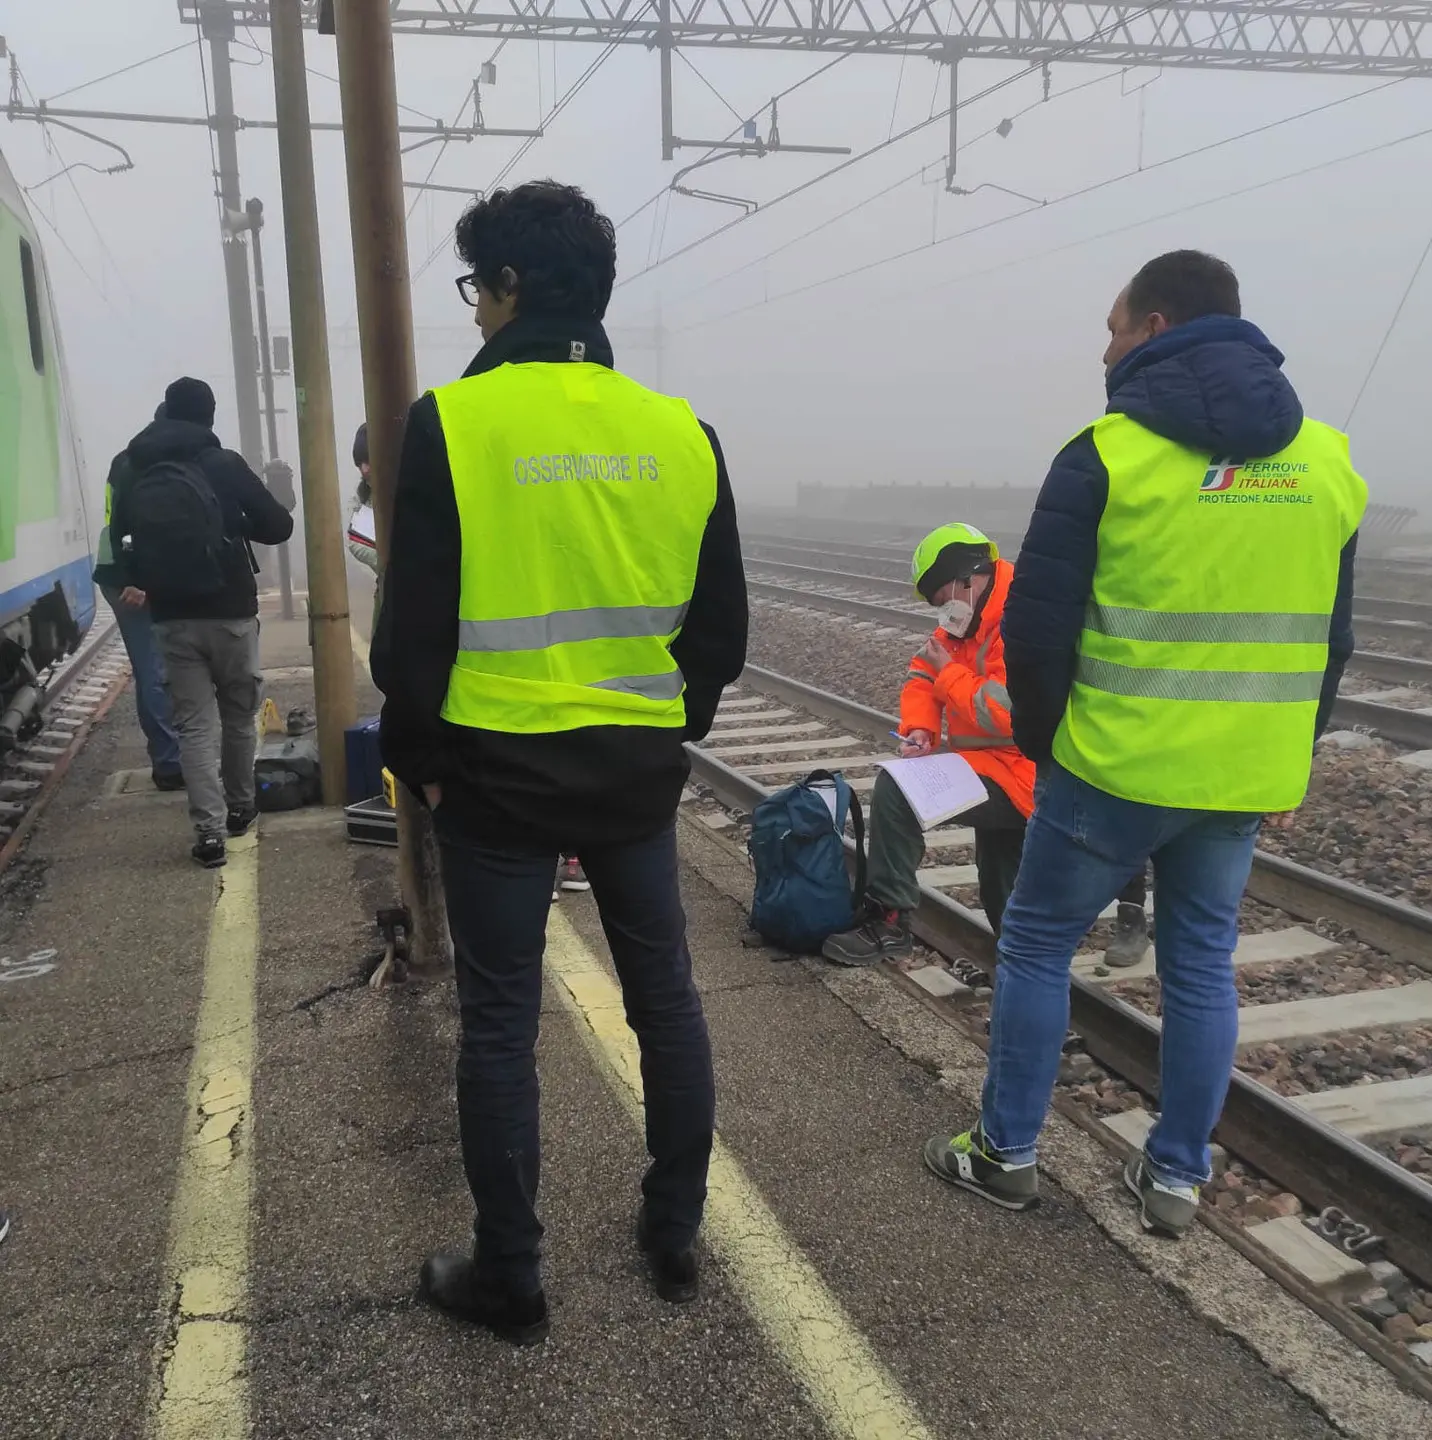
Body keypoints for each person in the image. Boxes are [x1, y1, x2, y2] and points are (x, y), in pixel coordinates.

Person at [372, 180, 747, 1344]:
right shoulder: (682, 432)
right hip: (632, 778)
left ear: (513, 289)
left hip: (491, 780)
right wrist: (653, 727)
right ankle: (674, 1234)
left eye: (478, 287)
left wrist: (422, 766)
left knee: (500, 1023)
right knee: (666, 1001)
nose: (475, 309)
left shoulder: (452, 424)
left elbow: (409, 637)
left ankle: (512, 1276)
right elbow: (720, 636)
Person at [923, 250, 1364, 1236]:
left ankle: (1005, 1153)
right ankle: (1172, 1180)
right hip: (1239, 775)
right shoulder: (1327, 461)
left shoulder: (1106, 452)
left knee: (1037, 946)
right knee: (1199, 965)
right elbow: (1334, 642)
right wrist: (1290, 757)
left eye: (1114, 327)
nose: (1105, 347)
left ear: (1157, 329)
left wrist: (1045, 750)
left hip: (1112, 769)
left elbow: (1034, 634)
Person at [821, 523, 1033, 965]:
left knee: (897, 793)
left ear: (968, 579)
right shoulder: (969, 618)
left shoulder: (1022, 619)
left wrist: (947, 675)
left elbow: (1011, 710)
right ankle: (1025, 970)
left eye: (944, 601)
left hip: (1023, 772)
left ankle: (890, 922)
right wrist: (921, 728)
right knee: (1001, 881)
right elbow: (922, 673)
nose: (944, 614)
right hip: (989, 765)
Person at [109, 377, 294, 869]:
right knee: (237, 717)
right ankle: (241, 808)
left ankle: (208, 835)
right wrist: (241, 518)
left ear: (166, 413)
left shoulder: (133, 465)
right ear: (210, 417)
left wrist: (138, 579)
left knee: (193, 727)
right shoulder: (224, 464)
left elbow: (120, 533)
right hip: (231, 612)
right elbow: (279, 526)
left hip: (171, 616)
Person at [92, 403, 183, 792]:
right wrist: (139, 577)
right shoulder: (152, 462)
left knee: (151, 667)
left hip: (118, 570)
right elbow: (132, 528)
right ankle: (169, 763)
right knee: (156, 670)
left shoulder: (124, 458)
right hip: (132, 574)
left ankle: (167, 758)